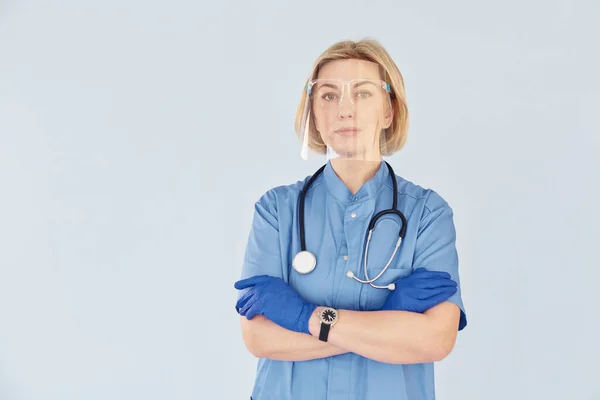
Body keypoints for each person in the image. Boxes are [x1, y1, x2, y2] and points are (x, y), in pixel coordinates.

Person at [233, 38, 467, 400]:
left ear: (389, 111)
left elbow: (435, 339)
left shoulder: (428, 214)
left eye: (362, 93)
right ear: (313, 111)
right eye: (328, 95)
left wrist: (303, 317)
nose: (344, 109)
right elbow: (260, 337)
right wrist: (387, 321)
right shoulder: (276, 211)